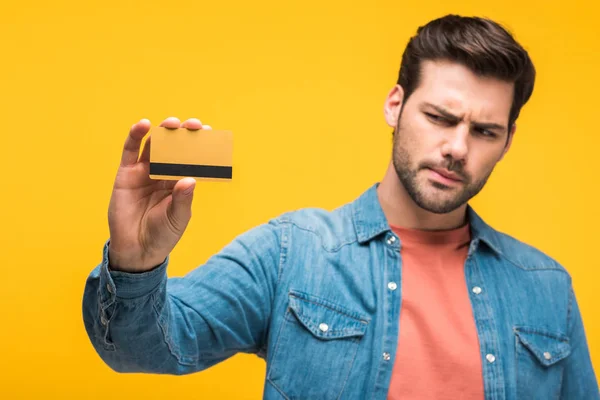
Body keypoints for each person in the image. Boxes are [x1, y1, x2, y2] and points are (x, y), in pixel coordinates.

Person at [82, 14, 599, 399]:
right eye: (440, 117)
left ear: (507, 141)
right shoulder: (292, 254)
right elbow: (140, 348)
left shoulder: (546, 287)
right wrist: (136, 262)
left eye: (485, 131)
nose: (458, 149)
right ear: (395, 105)